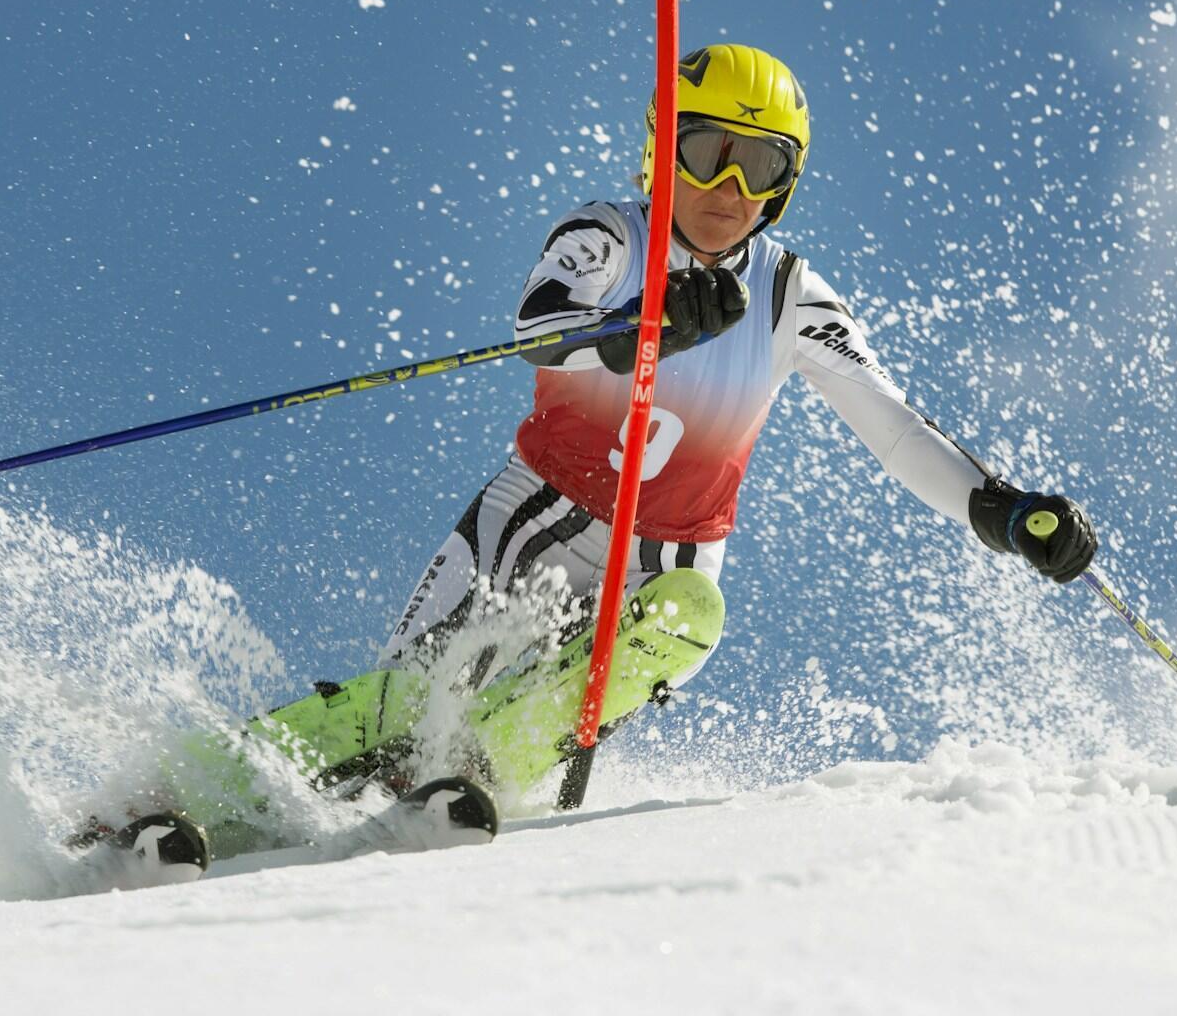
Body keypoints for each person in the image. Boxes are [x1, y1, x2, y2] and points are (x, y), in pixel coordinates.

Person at [379, 42, 1096, 730]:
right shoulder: (608, 235)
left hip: (669, 563)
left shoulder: (789, 294)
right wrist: (640, 326)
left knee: (684, 614)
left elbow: (896, 429)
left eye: (759, 165)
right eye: (708, 154)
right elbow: (540, 328)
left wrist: (1001, 511)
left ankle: (509, 751)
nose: (731, 188)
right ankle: (377, 750)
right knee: (407, 700)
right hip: (537, 512)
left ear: (783, 185)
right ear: (663, 149)